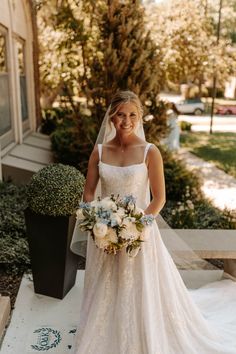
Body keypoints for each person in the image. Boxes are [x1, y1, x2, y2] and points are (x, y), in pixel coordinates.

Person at [71, 90, 236, 354]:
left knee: (139, 288)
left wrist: (135, 228)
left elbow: (159, 198)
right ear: (112, 117)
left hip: (140, 233)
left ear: (139, 118)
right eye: (121, 115)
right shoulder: (99, 152)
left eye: (132, 115)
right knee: (106, 285)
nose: (126, 120)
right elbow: (89, 193)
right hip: (104, 232)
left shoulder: (150, 152)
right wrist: (97, 223)